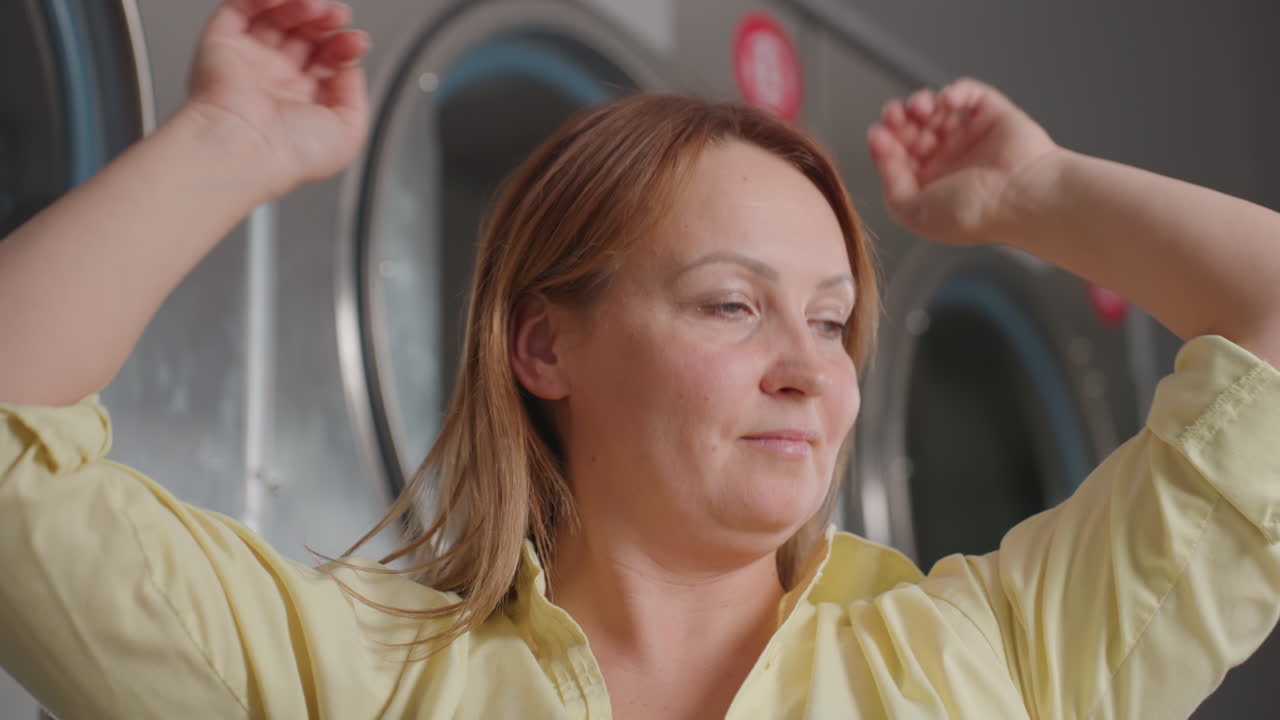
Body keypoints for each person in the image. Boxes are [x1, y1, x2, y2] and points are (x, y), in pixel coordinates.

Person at [1, 0, 1278, 717]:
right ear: (545, 345)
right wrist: (223, 139)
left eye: (831, 322)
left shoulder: (996, 660)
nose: (808, 371)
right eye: (732, 305)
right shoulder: (354, 676)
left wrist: (1040, 195)